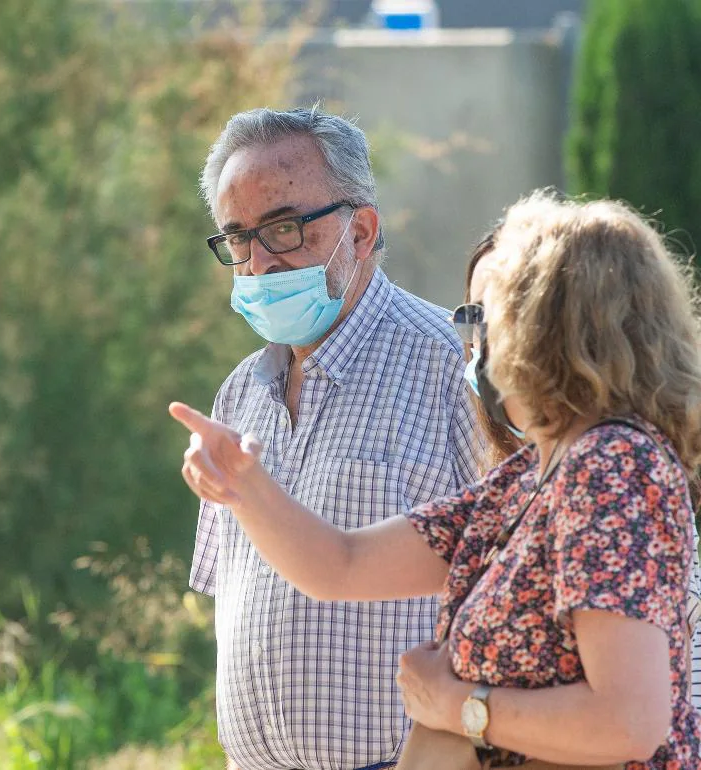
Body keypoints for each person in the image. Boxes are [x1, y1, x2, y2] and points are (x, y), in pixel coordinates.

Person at [172, 191, 701, 768]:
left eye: (479, 316)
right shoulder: (528, 482)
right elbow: (339, 565)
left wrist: (457, 707)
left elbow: (627, 723)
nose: (468, 343)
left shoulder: (613, 466)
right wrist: (244, 486)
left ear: (554, 327)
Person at [188, 106, 482, 770]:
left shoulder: (452, 371)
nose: (260, 263)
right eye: (237, 239)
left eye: (284, 228)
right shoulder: (238, 395)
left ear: (362, 230)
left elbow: (520, 591)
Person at [462, 222, 701, 715]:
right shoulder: (514, 486)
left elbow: (636, 718)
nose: (485, 347)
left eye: (506, 320)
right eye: (474, 317)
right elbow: (343, 563)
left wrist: (461, 707)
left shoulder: (622, 473)